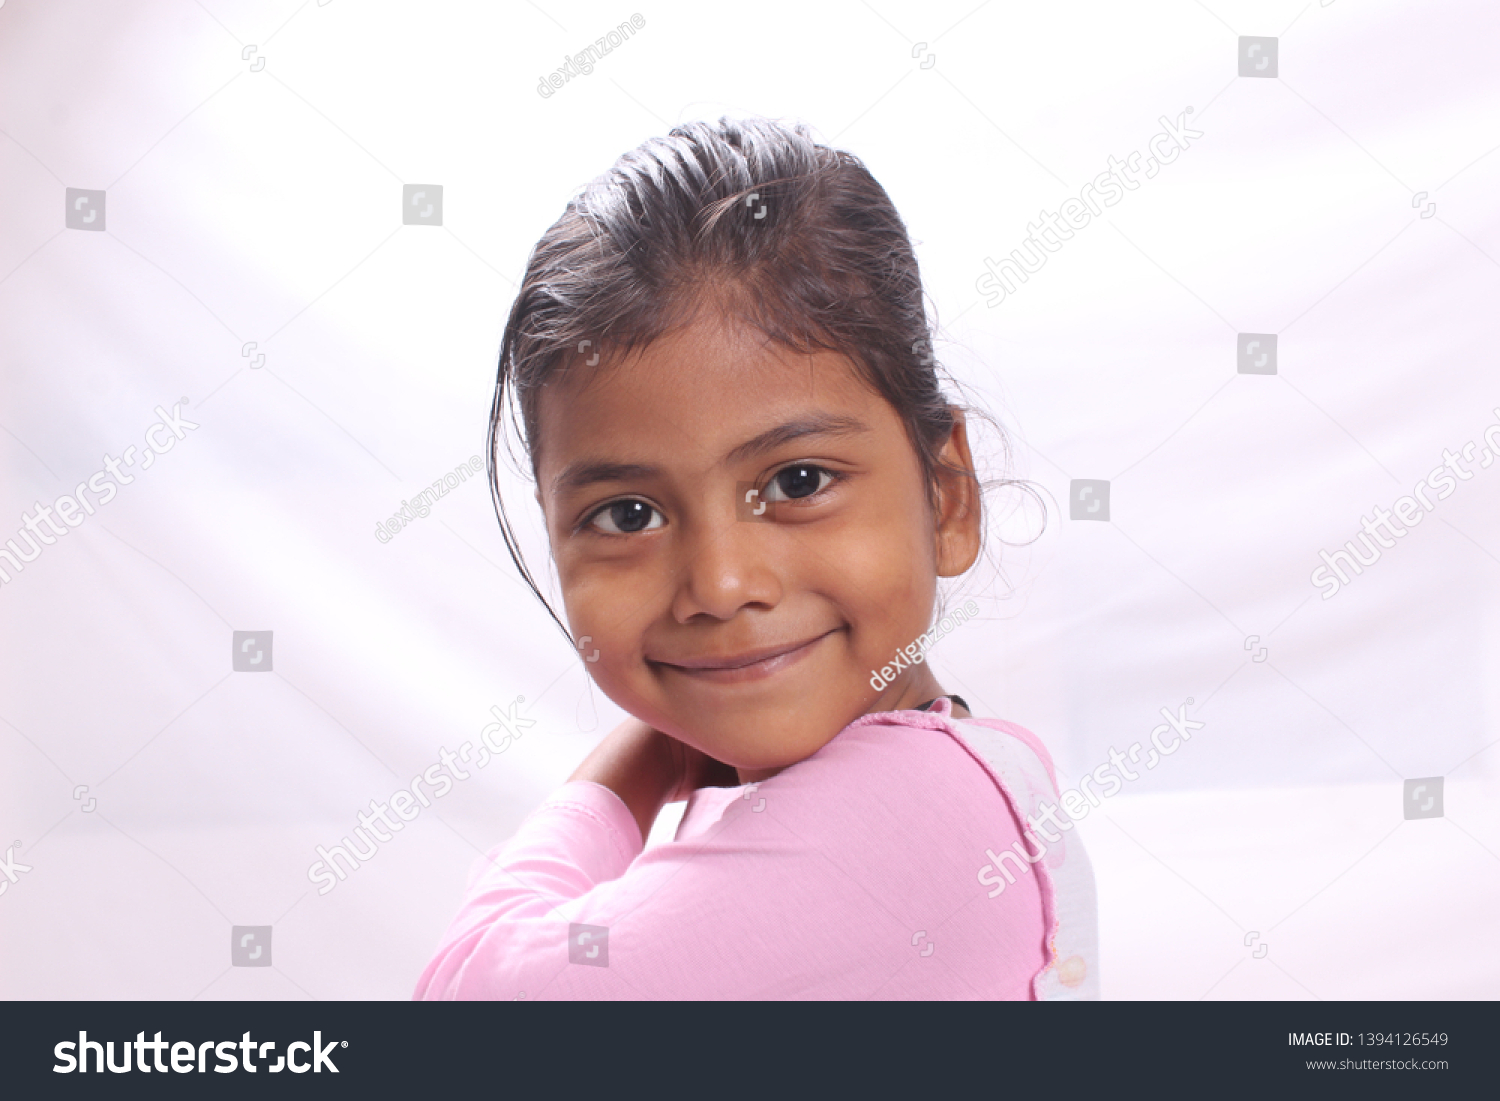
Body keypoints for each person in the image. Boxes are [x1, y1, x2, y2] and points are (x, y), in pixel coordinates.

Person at [414, 117, 1096, 1000]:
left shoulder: (915, 813)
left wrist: (634, 767)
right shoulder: (909, 788)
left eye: (798, 479)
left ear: (947, 495)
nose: (722, 584)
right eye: (628, 514)